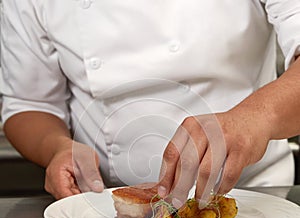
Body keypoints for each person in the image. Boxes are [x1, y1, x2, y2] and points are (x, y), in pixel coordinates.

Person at [1, 1, 300, 204]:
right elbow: (28, 102)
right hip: (106, 213)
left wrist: (256, 117)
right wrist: (56, 148)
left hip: (255, 202)